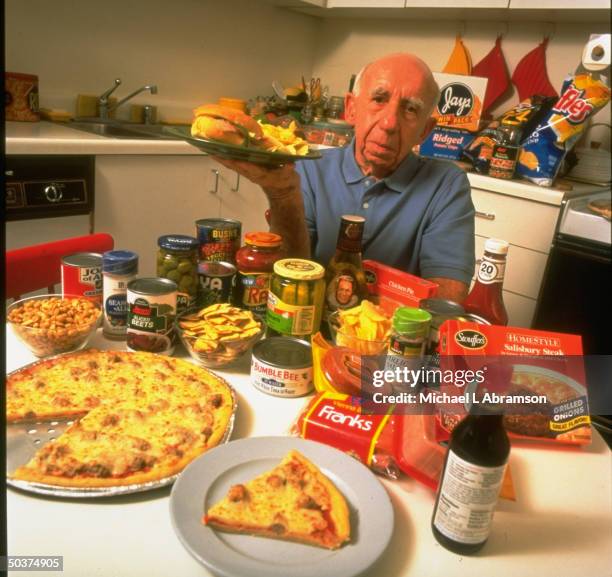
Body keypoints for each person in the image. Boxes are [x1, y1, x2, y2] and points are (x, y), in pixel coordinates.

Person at [214, 53, 475, 303]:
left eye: (410, 109)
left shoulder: (446, 185)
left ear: (425, 131)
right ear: (351, 109)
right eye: (379, 99)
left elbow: (447, 299)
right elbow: (288, 275)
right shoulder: (310, 167)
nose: (389, 124)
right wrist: (283, 195)